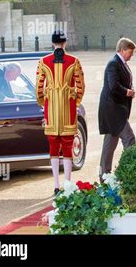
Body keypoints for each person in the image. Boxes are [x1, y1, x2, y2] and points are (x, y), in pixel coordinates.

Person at [36, 30, 85, 195]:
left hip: (51, 109)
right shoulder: (74, 61)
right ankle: (67, 184)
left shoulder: (43, 62)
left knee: (53, 146)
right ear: (65, 43)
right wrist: (75, 101)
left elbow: (38, 89)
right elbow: (81, 86)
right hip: (68, 109)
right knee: (68, 146)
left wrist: (44, 103)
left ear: (52, 43)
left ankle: (56, 184)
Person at [98, 38, 136, 181]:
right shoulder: (114, 64)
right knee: (129, 139)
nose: (131, 56)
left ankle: (104, 174)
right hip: (113, 110)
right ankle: (129, 171)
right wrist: (127, 92)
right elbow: (113, 86)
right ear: (123, 49)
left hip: (114, 109)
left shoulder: (121, 63)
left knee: (110, 142)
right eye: (130, 52)